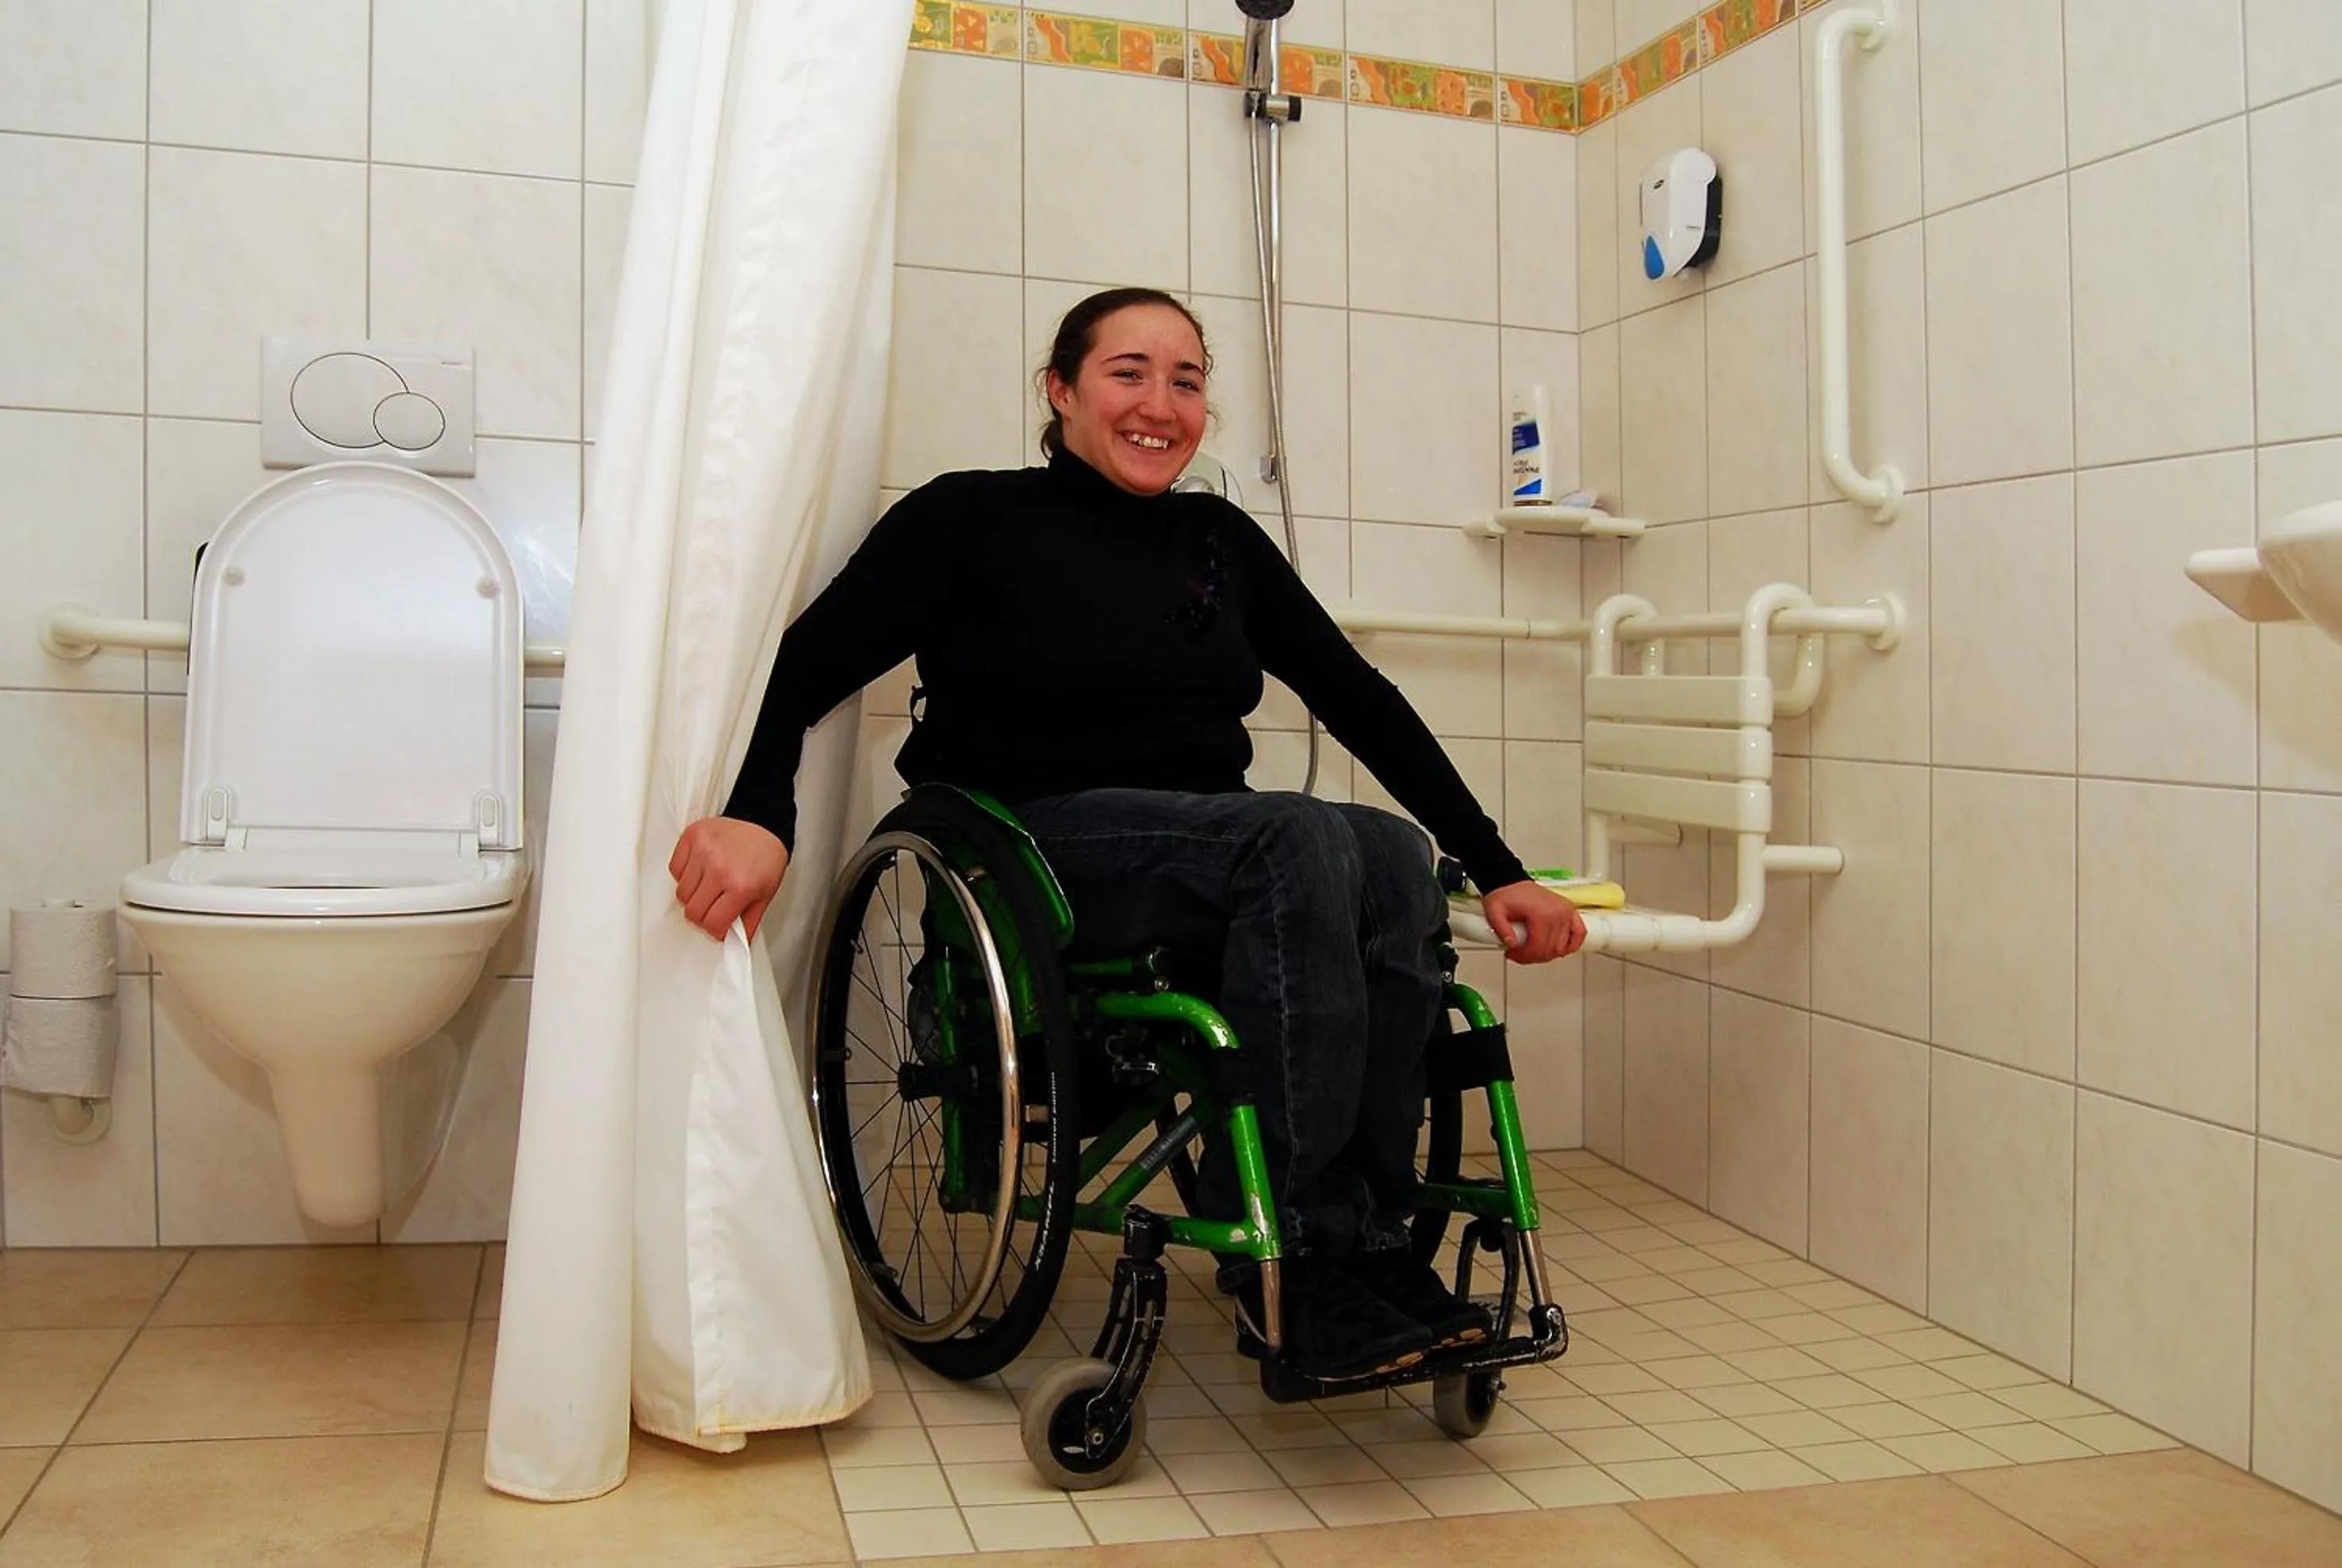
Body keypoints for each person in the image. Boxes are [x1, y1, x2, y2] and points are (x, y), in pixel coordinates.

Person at [668, 286, 1586, 1382]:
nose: (1162, 404)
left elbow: (1358, 696)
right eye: (1128, 373)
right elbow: (799, 668)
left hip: (1209, 848)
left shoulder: (1217, 540)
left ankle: (1364, 1247)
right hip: (1031, 843)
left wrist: (1498, 868)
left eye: (1188, 381)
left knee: (1385, 854)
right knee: (1295, 840)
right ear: (1060, 393)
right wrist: (760, 814)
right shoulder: (968, 519)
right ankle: (1296, 1253)